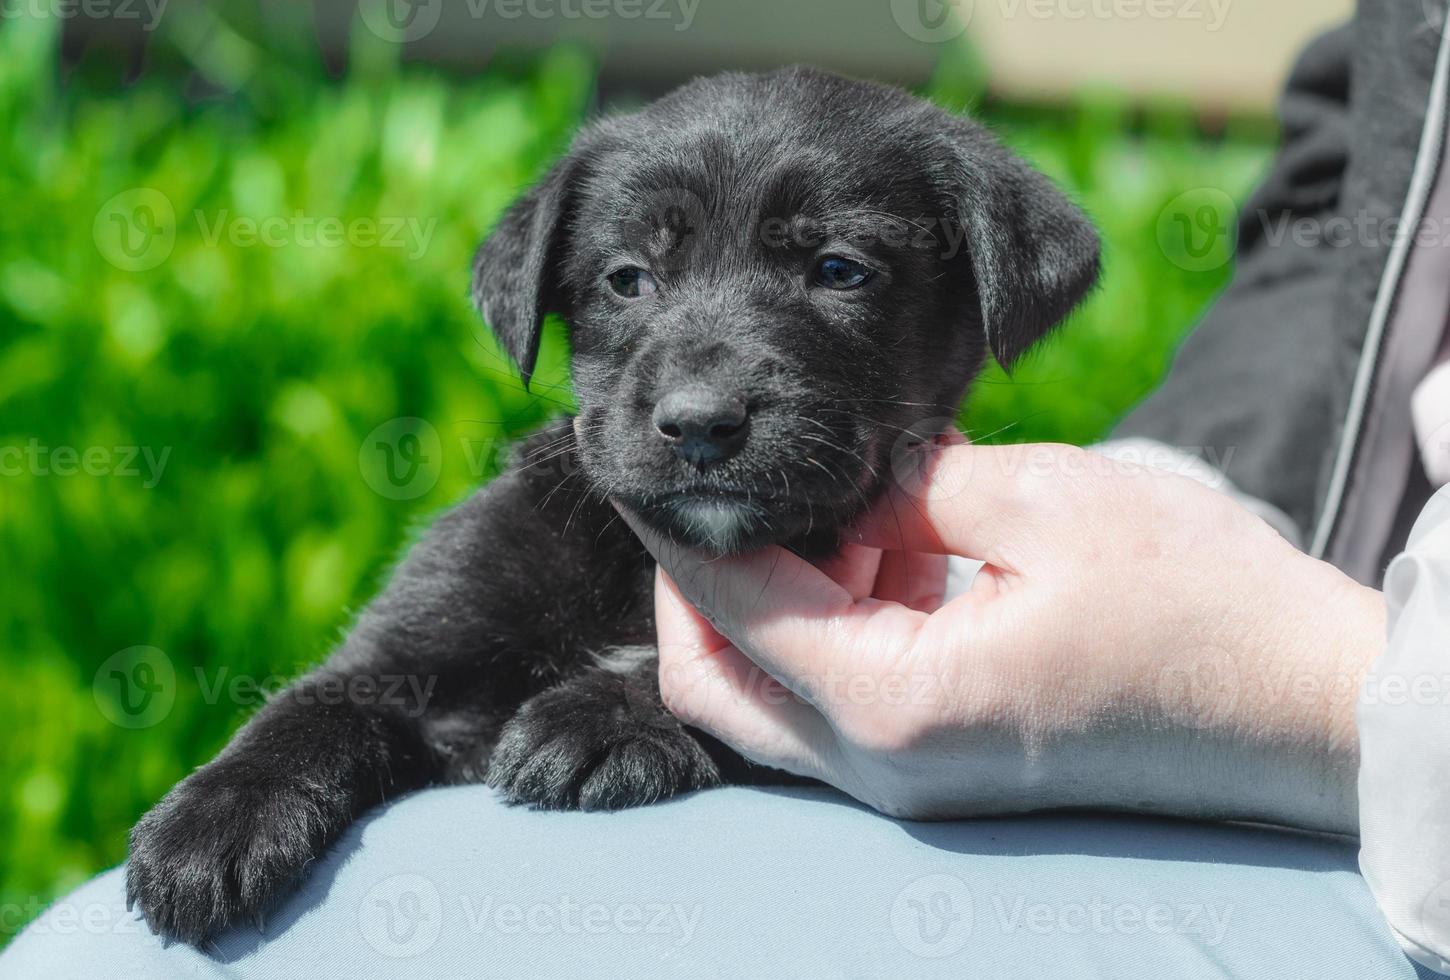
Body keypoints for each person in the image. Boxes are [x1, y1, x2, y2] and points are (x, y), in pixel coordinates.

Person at [7, 2, 1450, 977]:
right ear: (550, 307)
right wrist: (275, 765)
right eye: (628, 282)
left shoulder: (941, 572)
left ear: (986, 296)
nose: (696, 390)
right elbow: (388, 694)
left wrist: (684, 725)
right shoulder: (530, 542)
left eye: (835, 273)